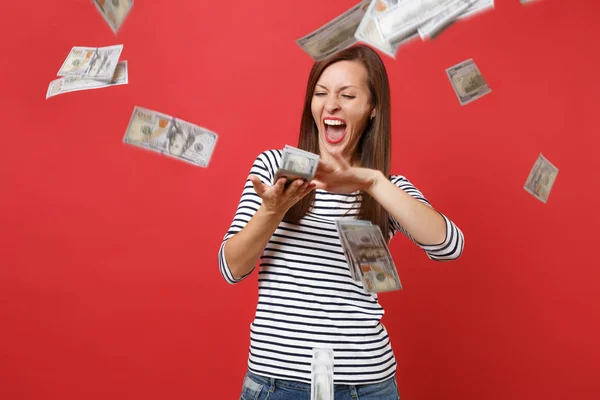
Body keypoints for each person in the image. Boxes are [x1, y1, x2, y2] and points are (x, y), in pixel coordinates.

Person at [218, 44, 464, 400]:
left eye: (347, 95)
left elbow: (449, 246)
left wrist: (372, 182)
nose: (331, 104)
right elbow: (231, 268)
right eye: (321, 93)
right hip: (278, 385)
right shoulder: (274, 169)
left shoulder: (387, 189)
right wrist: (272, 210)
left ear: (372, 108)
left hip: (369, 386)